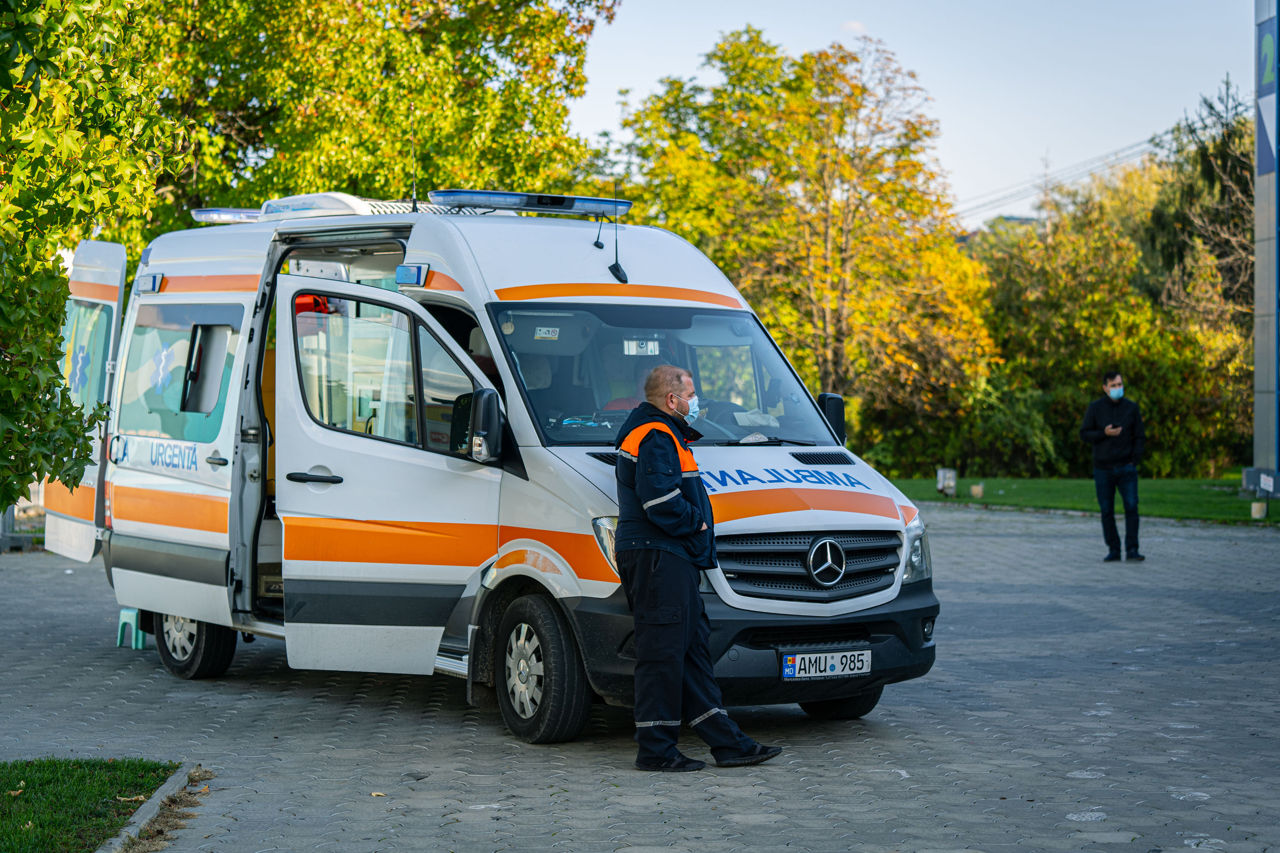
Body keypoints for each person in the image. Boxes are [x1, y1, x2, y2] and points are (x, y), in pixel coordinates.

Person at [613, 364, 782, 772]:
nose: (696, 402)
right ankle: (655, 750)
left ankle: (728, 743)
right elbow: (660, 501)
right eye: (692, 394)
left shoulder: (663, 432)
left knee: (690, 651)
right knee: (662, 654)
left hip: (671, 557)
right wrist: (698, 522)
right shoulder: (654, 435)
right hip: (659, 556)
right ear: (672, 399)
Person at [1080, 370, 1146, 562]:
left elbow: (1139, 436)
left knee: (1131, 507)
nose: (1118, 388)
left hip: (1126, 467)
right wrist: (1104, 433)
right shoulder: (1095, 408)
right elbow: (1084, 434)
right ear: (1105, 388)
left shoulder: (1131, 409)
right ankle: (1114, 549)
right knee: (1107, 510)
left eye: (1120, 384)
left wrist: (1135, 459)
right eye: (1113, 385)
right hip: (1103, 468)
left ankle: (1132, 549)